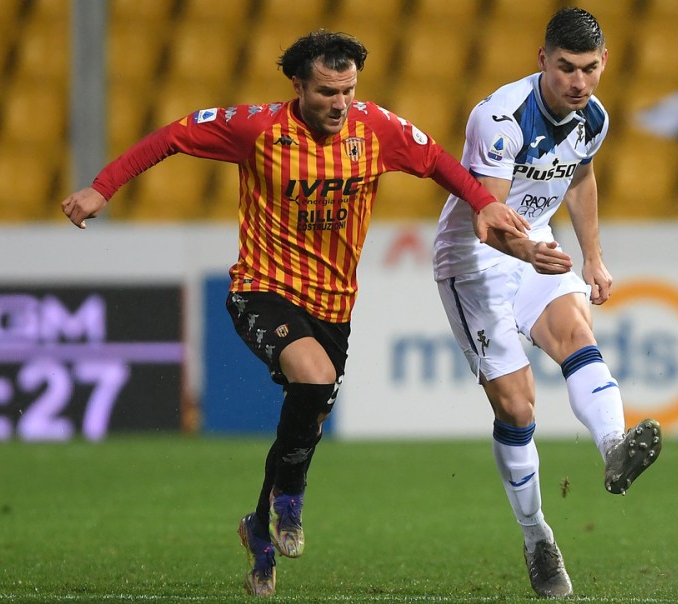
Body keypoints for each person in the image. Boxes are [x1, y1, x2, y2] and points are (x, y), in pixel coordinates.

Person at [60, 30, 530, 597]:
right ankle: (290, 498)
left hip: (334, 306)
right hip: (261, 289)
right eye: (327, 92)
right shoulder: (257, 128)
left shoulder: (375, 130)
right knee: (314, 376)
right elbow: (174, 136)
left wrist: (484, 204)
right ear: (298, 86)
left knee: (307, 419)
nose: (340, 103)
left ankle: (259, 529)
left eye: (348, 91)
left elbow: (434, 160)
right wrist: (102, 188)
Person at [432, 8, 662, 598]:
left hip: (536, 244)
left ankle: (615, 449)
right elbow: (489, 219)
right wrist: (529, 251)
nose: (578, 82)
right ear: (543, 61)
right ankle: (537, 535)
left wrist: (593, 258)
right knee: (518, 409)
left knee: (578, 336)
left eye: (589, 68)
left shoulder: (595, 117)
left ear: (604, 63)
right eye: (565, 68)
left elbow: (580, 179)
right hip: (474, 260)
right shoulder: (500, 119)